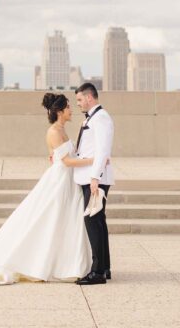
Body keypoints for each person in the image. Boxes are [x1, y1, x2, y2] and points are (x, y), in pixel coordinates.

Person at [0, 92, 92, 285]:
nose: (72, 110)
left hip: (68, 181)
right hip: (59, 181)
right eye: (68, 107)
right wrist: (92, 161)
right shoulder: (53, 132)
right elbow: (66, 161)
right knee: (49, 219)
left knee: (64, 221)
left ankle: (66, 264)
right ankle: (39, 263)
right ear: (60, 111)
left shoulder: (62, 130)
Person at [71, 82, 114, 284]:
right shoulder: (94, 118)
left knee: (92, 220)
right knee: (98, 221)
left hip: (95, 179)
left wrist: (95, 177)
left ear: (89, 97)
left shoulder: (101, 118)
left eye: (80, 99)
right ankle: (104, 268)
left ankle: (97, 272)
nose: (78, 103)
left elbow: (103, 149)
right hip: (91, 177)